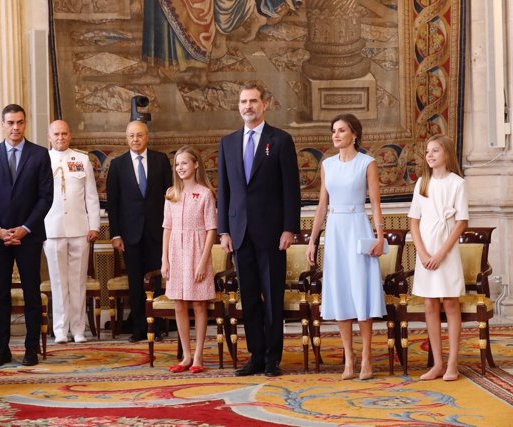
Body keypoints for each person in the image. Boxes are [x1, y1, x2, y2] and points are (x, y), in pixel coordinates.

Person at [217, 81, 300, 377]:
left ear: (265, 105)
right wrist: (223, 230)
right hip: (239, 234)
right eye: (243, 102)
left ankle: (272, 358)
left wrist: (290, 228)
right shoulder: (227, 143)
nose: (248, 107)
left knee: (272, 297)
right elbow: (224, 190)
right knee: (249, 297)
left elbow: (291, 189)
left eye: (253, 101)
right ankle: (254, 356)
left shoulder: (280, 140)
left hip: (272, 234)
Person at [305, 113, 386, 380]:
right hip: (336, 230)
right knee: (340, 292)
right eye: (334, 131)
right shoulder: (327, 164)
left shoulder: (368, 163)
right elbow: (321, 206)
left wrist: (380, 236)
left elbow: (375, 203)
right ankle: (348, 360)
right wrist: (313, 240)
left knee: (360, 291)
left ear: (354, 134)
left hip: (358, 227)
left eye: (341, 130)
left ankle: (366, 359)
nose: (336, 135)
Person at [0, 104, 53, 367]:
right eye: (10, 123)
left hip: (28, 237)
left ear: (25, 123)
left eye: (20, 122)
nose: (15, 128)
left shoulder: (40, 154)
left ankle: (31, 349)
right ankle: (2, 350)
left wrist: (25, 228)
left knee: (32, 293)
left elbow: (45, 197)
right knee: (1, 295)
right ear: (3, 124)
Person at [408, 134, 468, 381]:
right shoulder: (422, 182)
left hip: (446, 251)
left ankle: (453, 363)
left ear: (447, 154)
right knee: (430, 305)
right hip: (426, 252)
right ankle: (437, 363)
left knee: (451, 304)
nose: (430, 155)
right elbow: (414, 221)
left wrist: (441, 253)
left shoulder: (457, 183)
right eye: (428, 151)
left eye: (435, 151)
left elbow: (461, 223)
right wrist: (422, 253)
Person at [106, 120, 172, 342]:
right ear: (126, 138)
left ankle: (159, 326)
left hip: (157, 232)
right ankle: (138, 328)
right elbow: (112, 203)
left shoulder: (160, 160)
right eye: (131, 136)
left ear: (147, 137)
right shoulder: (117, 165)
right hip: (129, 234)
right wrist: (116, 234)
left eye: (139, 135)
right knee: (135, 281)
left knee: (157, 280)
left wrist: (170, 230)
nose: (135, 139)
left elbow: (169, 198)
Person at [43, 120, 100, 344]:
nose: (60, 138)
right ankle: (60, 330)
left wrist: (94, 225)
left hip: (79, 229)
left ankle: (78, 329)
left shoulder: (82, 159)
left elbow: (91, 195)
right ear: (49, 137)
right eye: (56, 134)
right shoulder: (42, 160)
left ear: (70, 135)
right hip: (52, 228)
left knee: (78, 281)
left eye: (64, 133)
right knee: (58, 282)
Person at [161, 146, 217, 373]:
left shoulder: (205, 194)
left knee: (199, 304)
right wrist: (164, 259)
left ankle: (198, 357)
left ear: (195, 165)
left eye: (185, 163)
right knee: (179, 304)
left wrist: (203, 262)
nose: (180, 168)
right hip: (176, 251)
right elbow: (167, 227)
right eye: (177, 164)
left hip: (197, 252)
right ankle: (185, 355)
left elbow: (212, 229)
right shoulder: (171, 193)